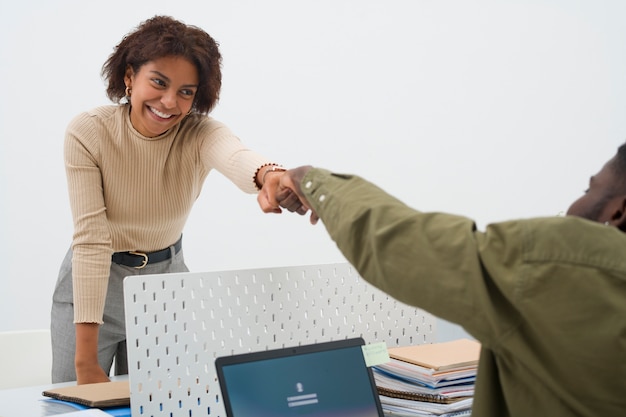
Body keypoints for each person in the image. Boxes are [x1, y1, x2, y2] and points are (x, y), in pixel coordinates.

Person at [275, 145, 626, 416]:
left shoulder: (573, 270)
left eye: (590, 189)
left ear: (618, 210)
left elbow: (403, 245)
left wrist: (313, 181)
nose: (576, 202)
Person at [51, 16, 304, 384]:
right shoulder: (89, 131)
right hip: (93, 287)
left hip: (163, 287)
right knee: (73, 407)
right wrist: (86, 361)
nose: (169, 102)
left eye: (186, 91)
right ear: (129, 76)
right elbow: (91, 240)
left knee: (157, 403)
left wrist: (271, 175)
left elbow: (235, 156)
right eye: (159, 82)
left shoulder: (199, 133)